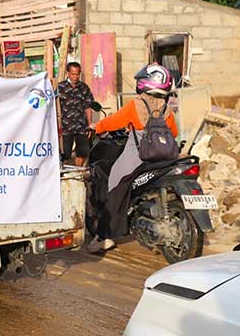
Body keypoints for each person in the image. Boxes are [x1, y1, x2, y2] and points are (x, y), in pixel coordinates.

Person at [87, 63, 178, 253]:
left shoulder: (136, 105)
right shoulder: (166, 108)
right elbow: (174, 132)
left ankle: (104, 237)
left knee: (115, 182)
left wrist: (98, 127)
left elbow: (114, 122)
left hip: (139, 156)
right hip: (163, 158)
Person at [58, 62, 95, 167]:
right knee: (64, 153)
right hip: (65, 127)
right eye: (73, 74)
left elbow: (88, 107)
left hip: (81, 126)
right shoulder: (60, 87)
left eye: (77, 74)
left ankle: (78, 171)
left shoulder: (84, 88)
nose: (75, 77)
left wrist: (89, 124)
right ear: (68, 73)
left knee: (82, 152)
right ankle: (63, 173)